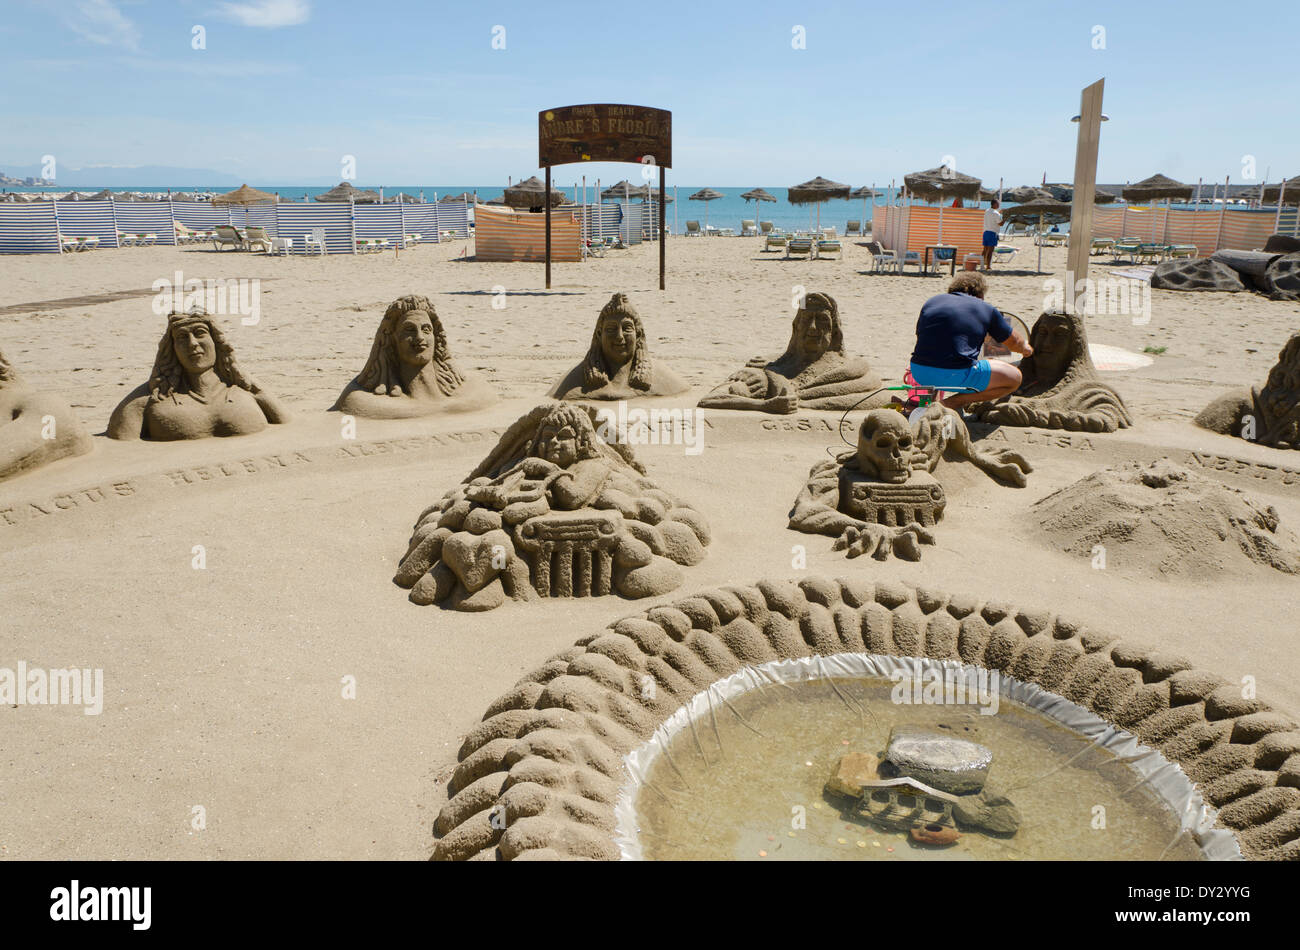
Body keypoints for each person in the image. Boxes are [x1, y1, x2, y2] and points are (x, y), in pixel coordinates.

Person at [909, 272, 1032, 411]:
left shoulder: (932, 301)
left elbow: (933, 340)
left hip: (919, 372)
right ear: (980, 295)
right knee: (1014, 378)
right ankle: (951, 403)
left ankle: (928, 403)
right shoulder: (986, 308)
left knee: (939, 352)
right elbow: (1014, 342)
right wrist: (1026, 348)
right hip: (956, 375)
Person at [982, 199, 1002, 269]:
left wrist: (999, 213)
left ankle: (982, 264)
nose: (999, 205)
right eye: (997, 203)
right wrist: (1005, 218)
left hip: (985, 232)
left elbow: (992, 217)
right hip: (992, 233)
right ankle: (988, 266)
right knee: (990, 250)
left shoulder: (987, 211)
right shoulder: (996, 213)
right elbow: (1000, 223)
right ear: (994, 204)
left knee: (985, 249)